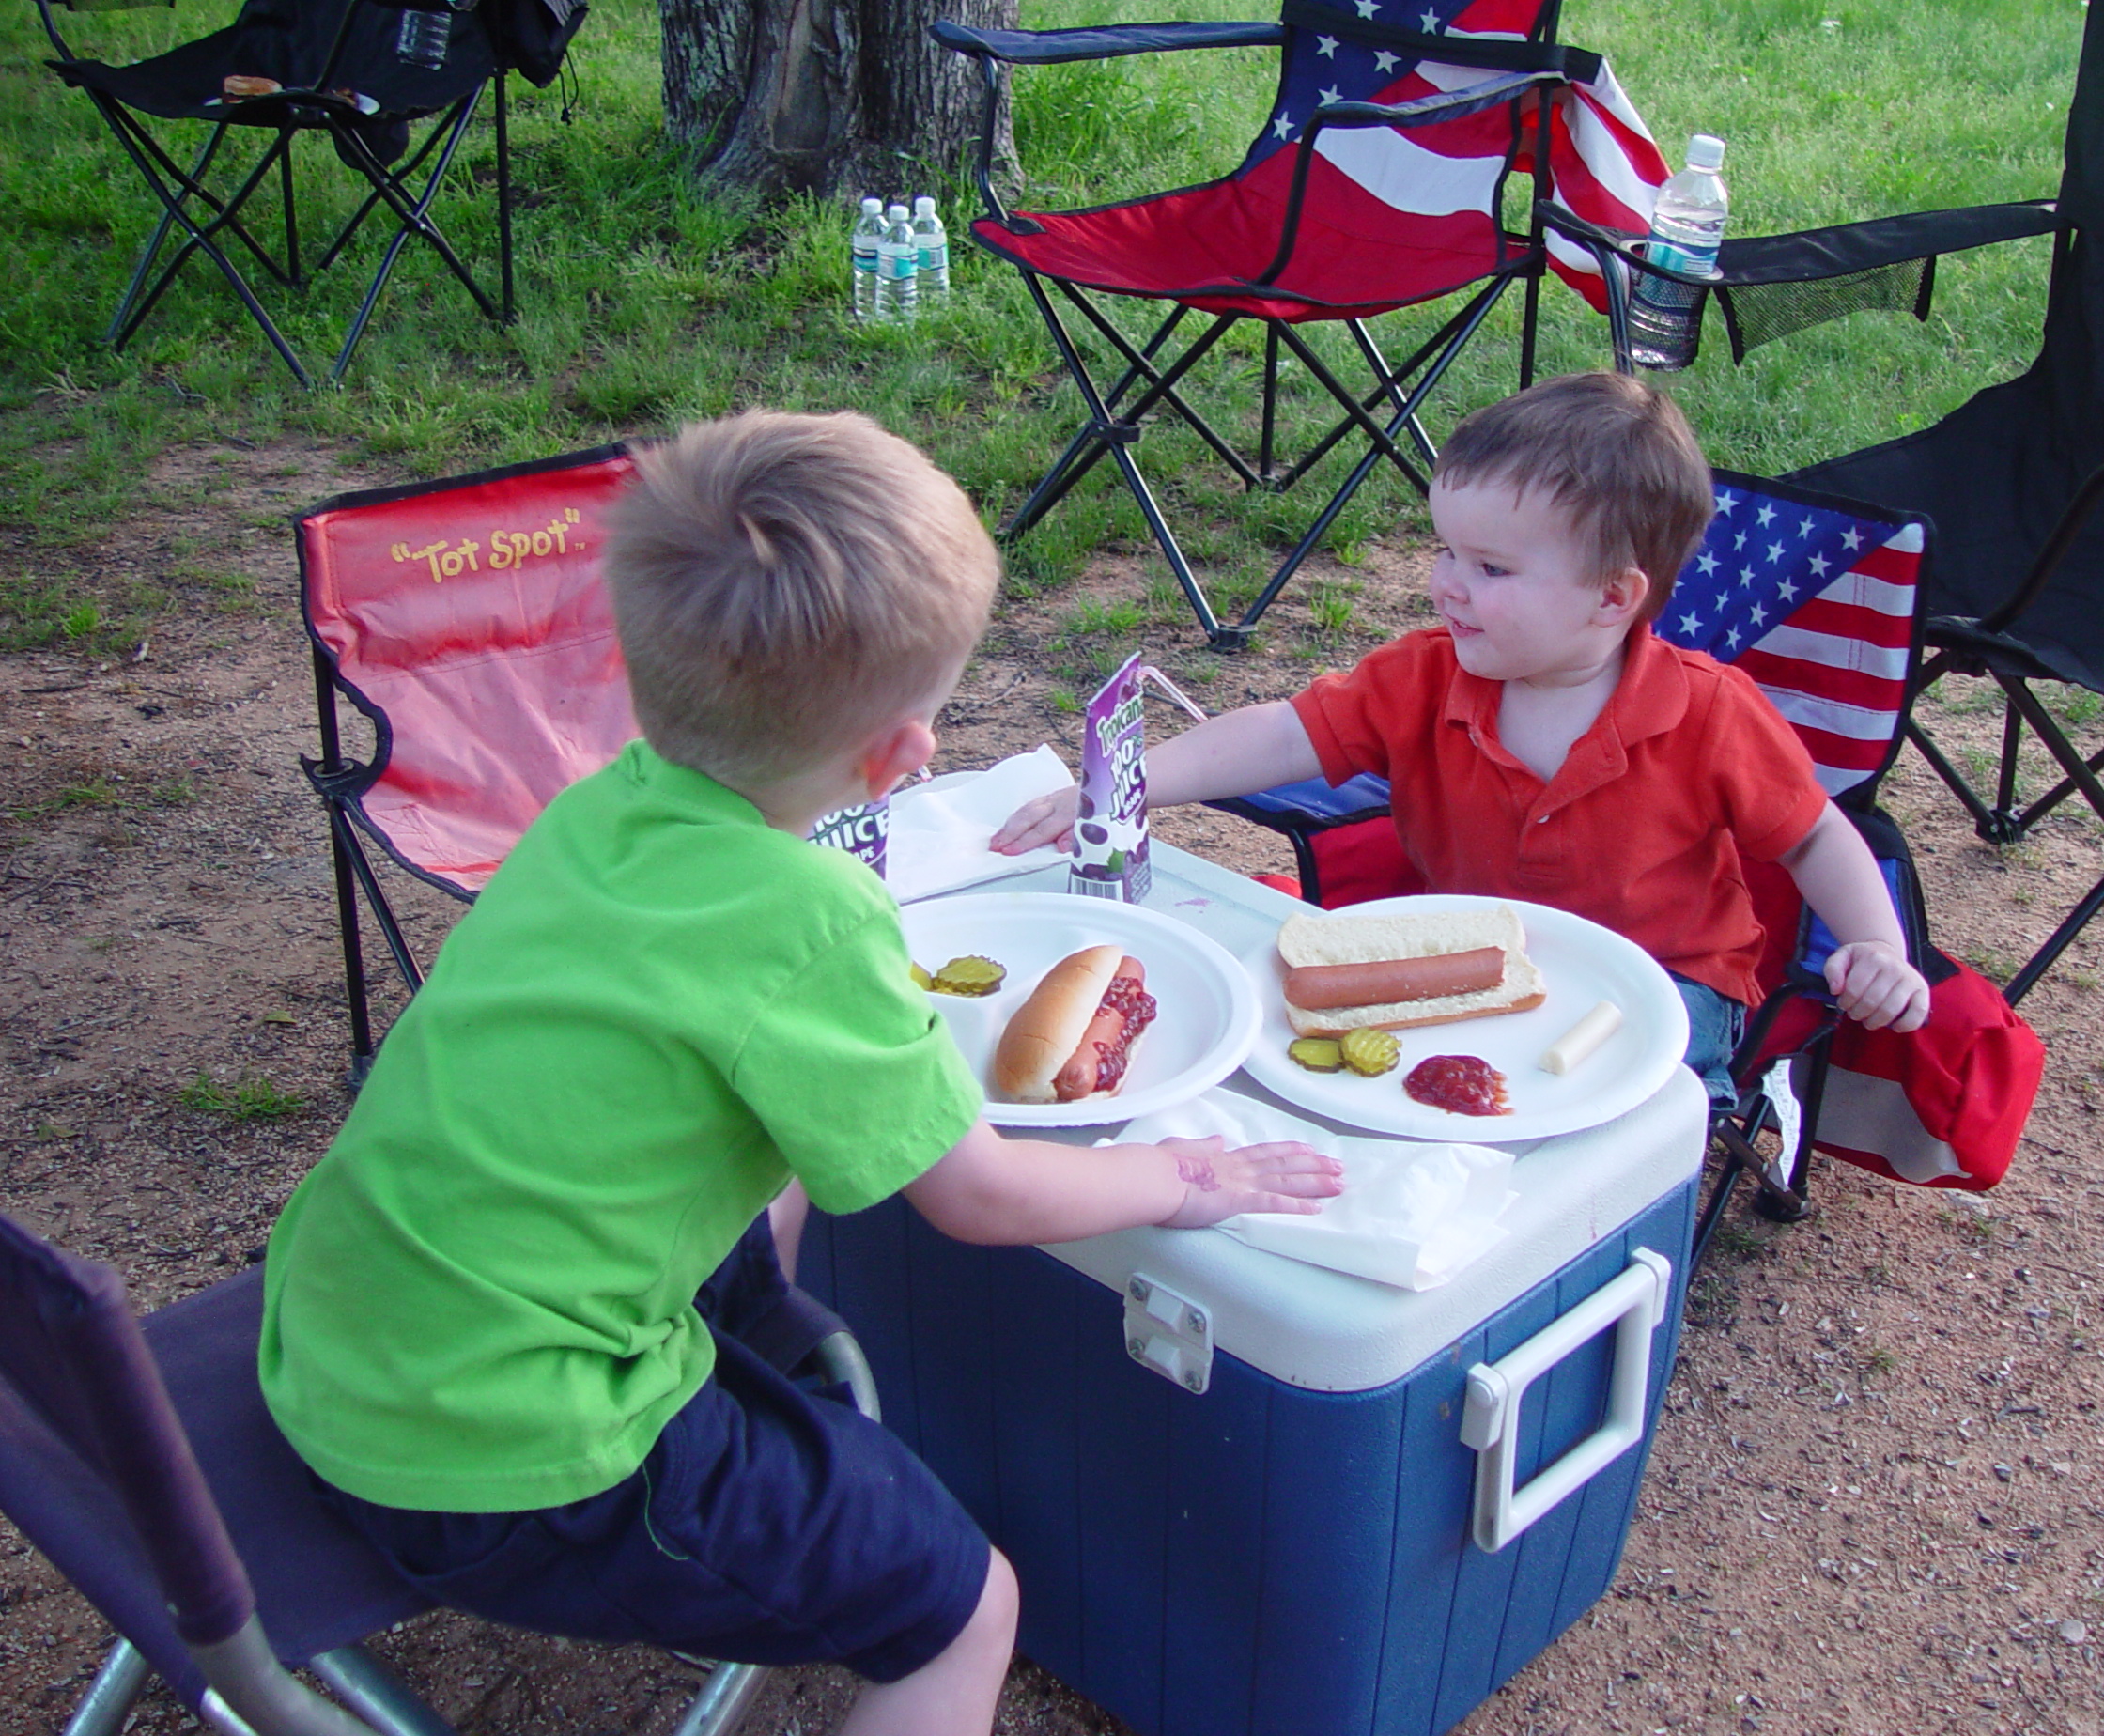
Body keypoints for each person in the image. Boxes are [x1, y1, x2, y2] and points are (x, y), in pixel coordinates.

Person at [258, 410, 1341, 1736]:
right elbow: (978, 1198)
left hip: (331, 1337)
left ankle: (770, 1390)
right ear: (902, 756)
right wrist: (1183, 1174)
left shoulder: (595, 812)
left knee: (767, 1202)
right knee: (967, 1614)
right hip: (504, 1457)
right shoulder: (814, 919)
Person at [995, 371, 1929, 1106]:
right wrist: (1120, 788)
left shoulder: (1709, 712)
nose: (1445, 584)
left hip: (1659, 985)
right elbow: (1282, 737)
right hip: (1471, 968)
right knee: (1313, 1057)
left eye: (1487, 567)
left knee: (1624, 1122)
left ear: (1612, 598)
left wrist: (1877, 947)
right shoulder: (1428, 673)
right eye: (1443, 549)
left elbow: (1813, 837)